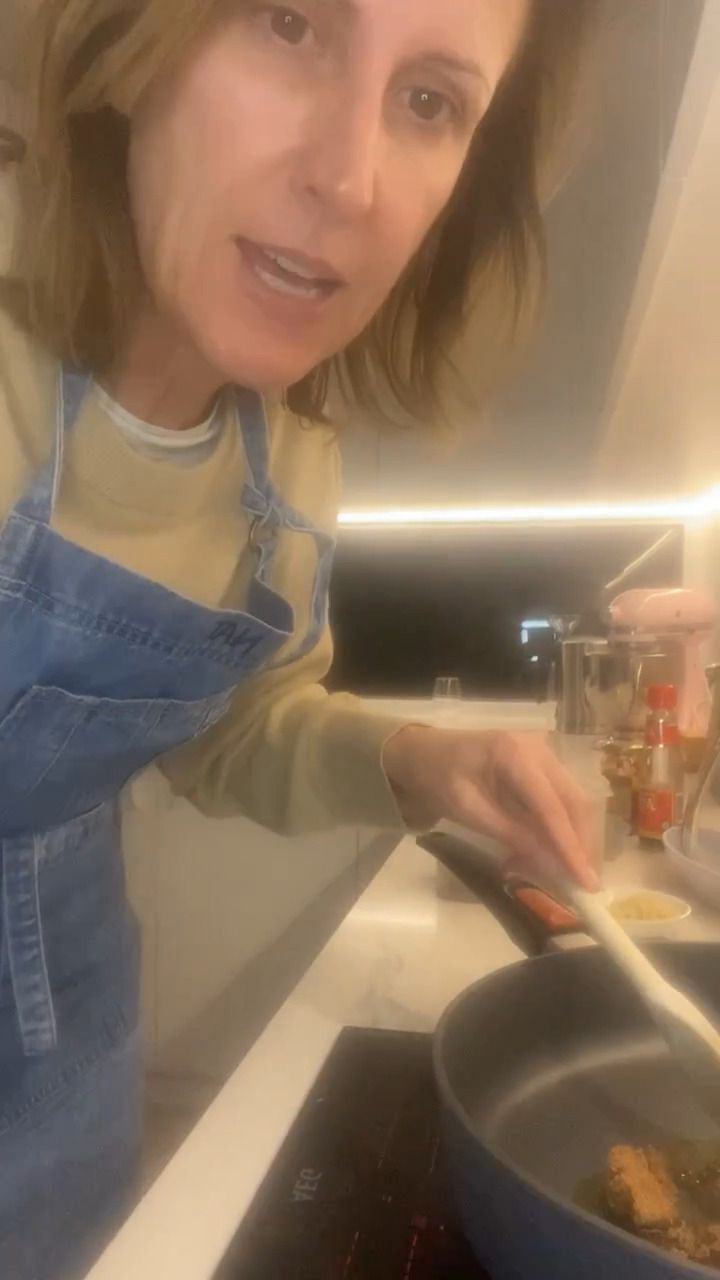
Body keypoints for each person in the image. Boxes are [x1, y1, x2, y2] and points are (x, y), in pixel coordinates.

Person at [0, 1, 597, 1276]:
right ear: (130, 41)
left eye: (430, 100)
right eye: (289, 23)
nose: (350, 179)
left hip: (63, 998)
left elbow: (235, 724)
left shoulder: (292, 458)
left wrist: (422, 760)